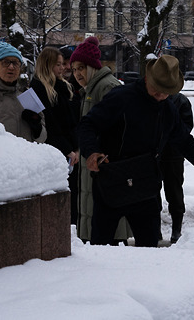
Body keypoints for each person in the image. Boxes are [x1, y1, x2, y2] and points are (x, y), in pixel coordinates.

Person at [78, 55, 194, 247]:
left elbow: (185, 141)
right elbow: (88, 124)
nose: (160, 96)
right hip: (112, 181)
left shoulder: (168, 109)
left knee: (149, 248)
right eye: (157, 90)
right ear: (147, 79)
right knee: (101, 246)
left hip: (146, 185)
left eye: (166, 92)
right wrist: (92, 151)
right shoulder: (121, 97)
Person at [70, 36, 130, 244]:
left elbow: (117, 130)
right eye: (74, 68)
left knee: (107, 233)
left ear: (92, 67)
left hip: (105, 168)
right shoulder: (91, 89)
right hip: (95, 167)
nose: (77, 73)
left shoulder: (106, 87)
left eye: (81, 68)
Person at [30, 47, 79, 224]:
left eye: (62, 64)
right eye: (58, 64)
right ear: (47, 65)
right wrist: (68, 149)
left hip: (70, 150)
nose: (62, 68)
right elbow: (50, 122)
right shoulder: (39, 88)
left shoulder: (63, 87)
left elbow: (70, 121)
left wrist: (76, 147)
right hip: (55, 149)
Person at [0, 41, 47, 143]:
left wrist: (37, 128)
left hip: (26, 158)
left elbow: (43, 137)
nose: (11, 67)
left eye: (15, 63)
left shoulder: (27, 95)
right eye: (6, 62)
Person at [159, 92, 192, 243]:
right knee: (151, 192)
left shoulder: (181, 100)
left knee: (174, 191)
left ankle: (176, 229)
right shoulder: (152, 97)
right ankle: (154, 229)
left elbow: (186, 127)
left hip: (173, 154)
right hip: (154, 154)